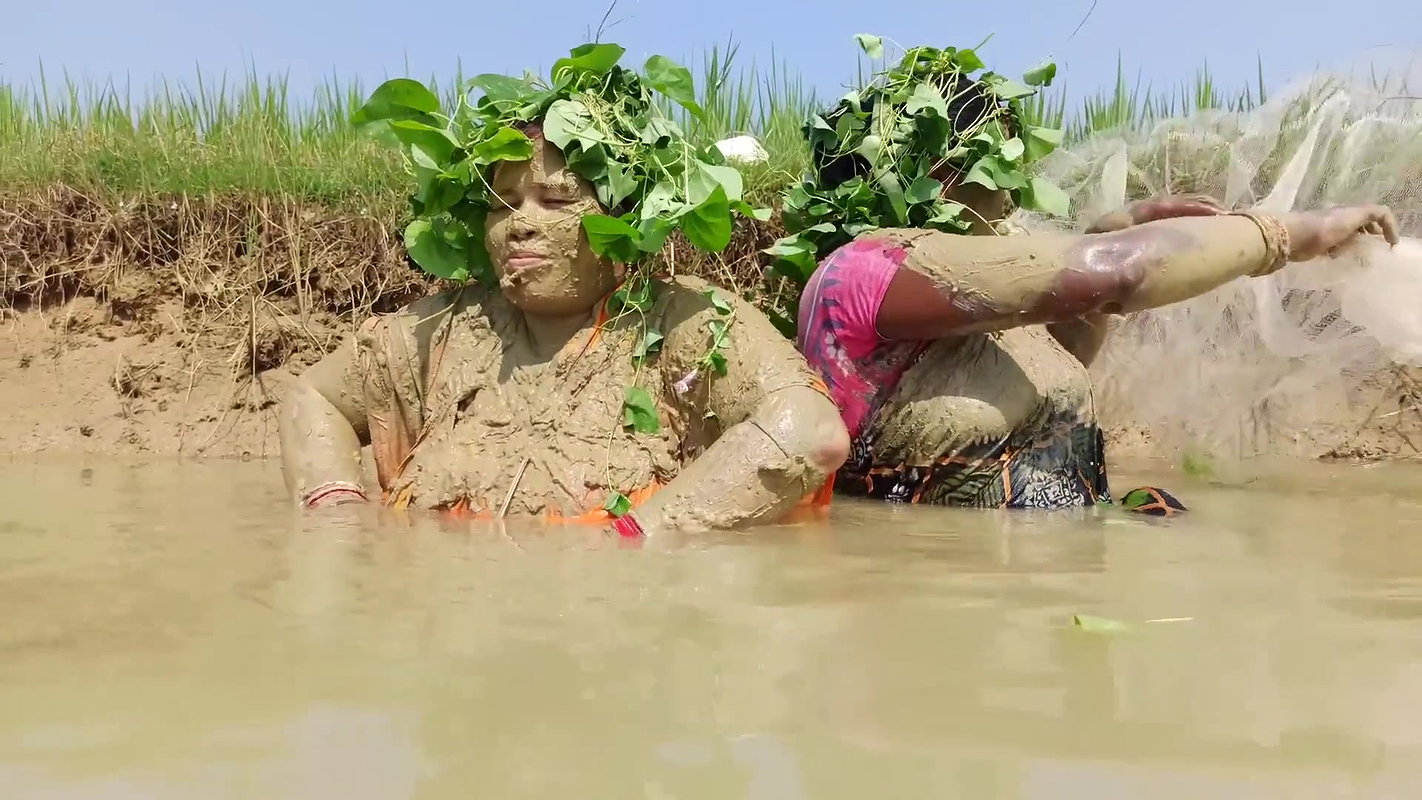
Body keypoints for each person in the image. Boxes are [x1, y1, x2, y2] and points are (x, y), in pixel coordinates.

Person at [792, 81, 1399, 512]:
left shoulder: (967, 295)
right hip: (949, 616)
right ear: (938, 167)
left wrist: (1109, 234)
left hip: (1041, 596)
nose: (1016, 188)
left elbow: (1060, 360)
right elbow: (1116, 278)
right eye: (995, 159)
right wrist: (1293, 233)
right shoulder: (868, 267)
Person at [279, 117, 849, 537]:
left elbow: (811, 431)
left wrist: (648, 531)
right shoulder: (447, 326)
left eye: (557, 199)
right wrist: (338, 517)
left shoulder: (689, 320)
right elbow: (314, 395)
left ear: (626, 222)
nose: (521, 223)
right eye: (503, 204)